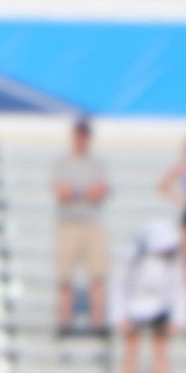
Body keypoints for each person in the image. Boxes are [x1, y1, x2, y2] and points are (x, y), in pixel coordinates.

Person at [113, 219, 186, 373]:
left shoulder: (171, 261)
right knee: (131, 350)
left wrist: (177, 318)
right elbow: (120, 286)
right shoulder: (134, 257)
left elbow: (178, 290)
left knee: (160, 351)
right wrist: (120, 315)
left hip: (160, 308)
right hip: (134, 307)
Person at [52, 118, 110, 335]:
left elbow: (101, 192)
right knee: (65, 276)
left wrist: (76, 192)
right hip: (68, 224)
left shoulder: (97, 163)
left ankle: (98, 323)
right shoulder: (62, 162)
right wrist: (85, 192)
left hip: (92, 224)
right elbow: (61, 193)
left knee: (97, 275)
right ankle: (64, 323)